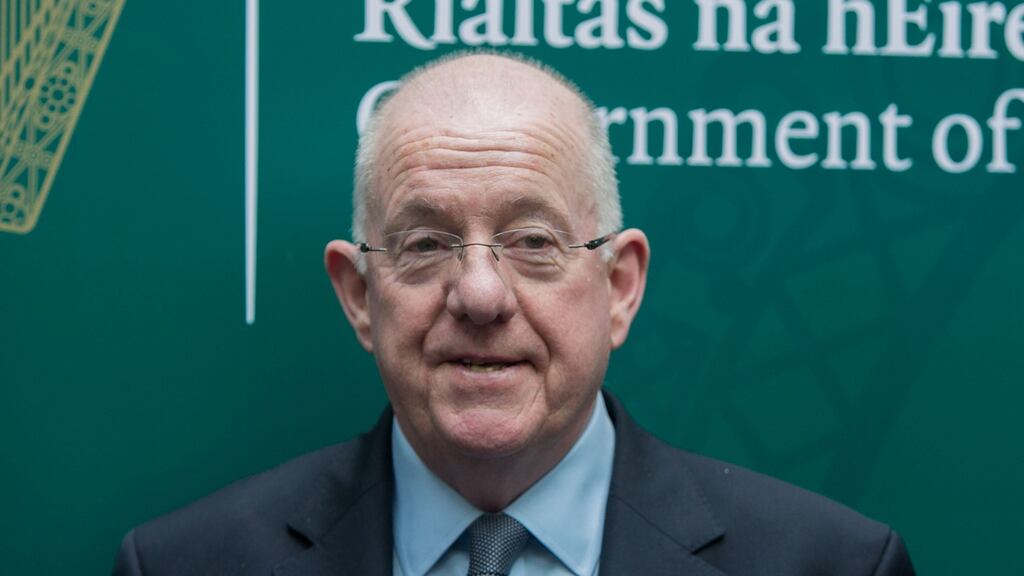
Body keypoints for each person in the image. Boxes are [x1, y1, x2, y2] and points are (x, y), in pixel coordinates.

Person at [113, 52, 915, 575]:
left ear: (621, 286)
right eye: (425, 244)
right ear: (360, 295)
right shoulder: (186, 563)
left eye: (533, 240)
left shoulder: (833, 565)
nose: (481, 295)